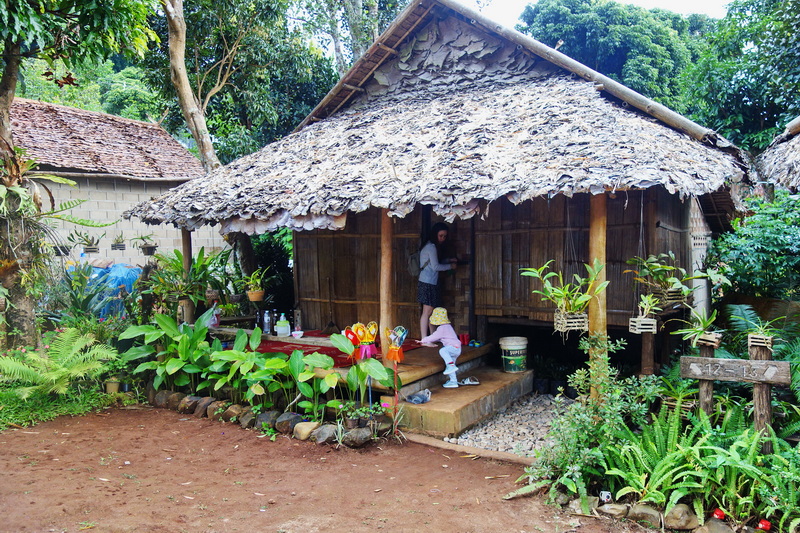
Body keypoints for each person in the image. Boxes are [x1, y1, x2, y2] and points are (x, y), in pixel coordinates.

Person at [417, 222, 457, 338]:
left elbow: (434, 263)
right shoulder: (432, 247)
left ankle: (432, 336)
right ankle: (425, 338)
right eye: (441, 236)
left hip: (429, 281)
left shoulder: (430, 245)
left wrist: (449, 260)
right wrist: (450, 266)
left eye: (445, 236)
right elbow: (435, 267)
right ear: (435, 234)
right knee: (427, 312)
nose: (443, 238)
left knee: (431, 312)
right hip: (428, 282)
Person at [420, 307, 462, 388]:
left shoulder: (442, 328)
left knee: (443, 351)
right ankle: (453, 381)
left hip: (452, 348)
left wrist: (423, 340)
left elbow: (434, 337)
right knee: (450, 366)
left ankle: (451, 366)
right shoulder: (448, 326)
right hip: (457, 348)